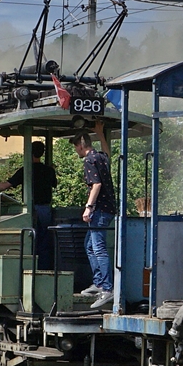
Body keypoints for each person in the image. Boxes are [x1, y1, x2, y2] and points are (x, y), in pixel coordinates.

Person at [0, 141, 57, 267]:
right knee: (44, 241)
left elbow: (5, 186)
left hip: (31, 209)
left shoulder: (25, 170)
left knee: (30, 240)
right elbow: (54, 184)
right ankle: (44, 269)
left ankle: (31, 268)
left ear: (29, 153)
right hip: (46, 209)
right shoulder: (49, 170)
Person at [70, 129, 116, 305]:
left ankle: (106, 288)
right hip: (109, 208)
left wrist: (88, 207)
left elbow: (96, 184)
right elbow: (108, 152)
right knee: (89, 245)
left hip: (100, 210)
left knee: (98, 248)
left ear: (81, 146)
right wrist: (101, 133)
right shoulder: (101, 157)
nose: (77, 152)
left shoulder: (89, 160)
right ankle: (98, 283)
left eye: (76, 148)